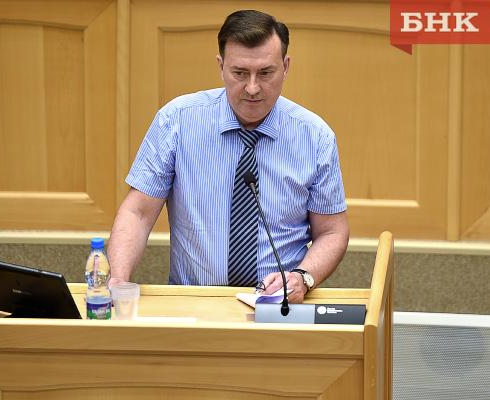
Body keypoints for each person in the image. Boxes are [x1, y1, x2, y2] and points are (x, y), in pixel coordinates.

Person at [107, 10, 349, 303]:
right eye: (240, 73)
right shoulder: (177, 121)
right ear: (221, 67)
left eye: (265, 73)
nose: (252, 88)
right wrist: (117, 278)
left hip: (278, 305)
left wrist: (303, 277)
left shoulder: (315, 137)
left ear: (285, 67)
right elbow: (138, 213)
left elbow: (332, 233)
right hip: (195, 304)